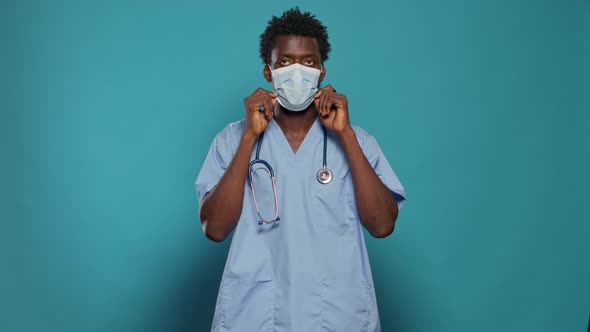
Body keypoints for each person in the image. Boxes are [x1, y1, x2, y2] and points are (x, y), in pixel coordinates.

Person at [195, 7, 406, 331]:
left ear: (322, 72)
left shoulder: (357, 140)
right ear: (268, 72)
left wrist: (345, 135)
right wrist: (250, 137)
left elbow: (381, 225)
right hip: (256, 313)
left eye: (308, 62)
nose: (297, 72)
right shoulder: (231, 140)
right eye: (284, 62)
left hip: (336, 315)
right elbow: (215, 229)